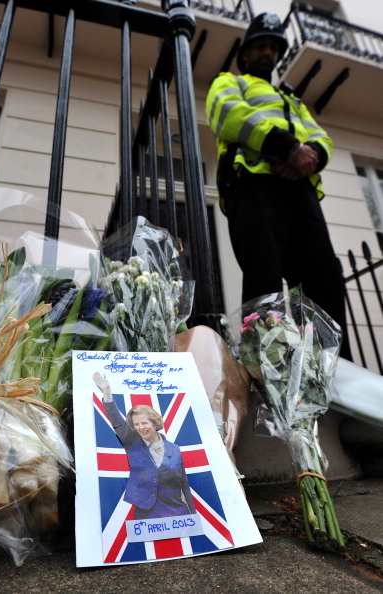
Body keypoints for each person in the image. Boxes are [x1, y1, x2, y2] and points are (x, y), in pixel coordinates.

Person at [205, 12, 352, 360]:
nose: (267, 52)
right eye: (260, 45)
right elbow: (227, 114)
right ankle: (267, 365)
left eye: (273, 46)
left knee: (324, 279)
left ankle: (331, 367)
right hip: (253, 185)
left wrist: (310, 153)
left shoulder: (291, 99)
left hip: (299, 192)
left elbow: (320, 137)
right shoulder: (229, 81)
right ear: (245, 54)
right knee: (263, 275)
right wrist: (287, 147)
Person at [92, 372, 197, 520]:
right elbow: (116, 419)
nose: (141, 427)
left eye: (144, 423)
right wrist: (106, 392)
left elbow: (183, 483)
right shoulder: (132, 441)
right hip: (146, 512)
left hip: (176, 510)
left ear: (155, 423)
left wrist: (193, 513)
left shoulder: (175, 449)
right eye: (137, 424)